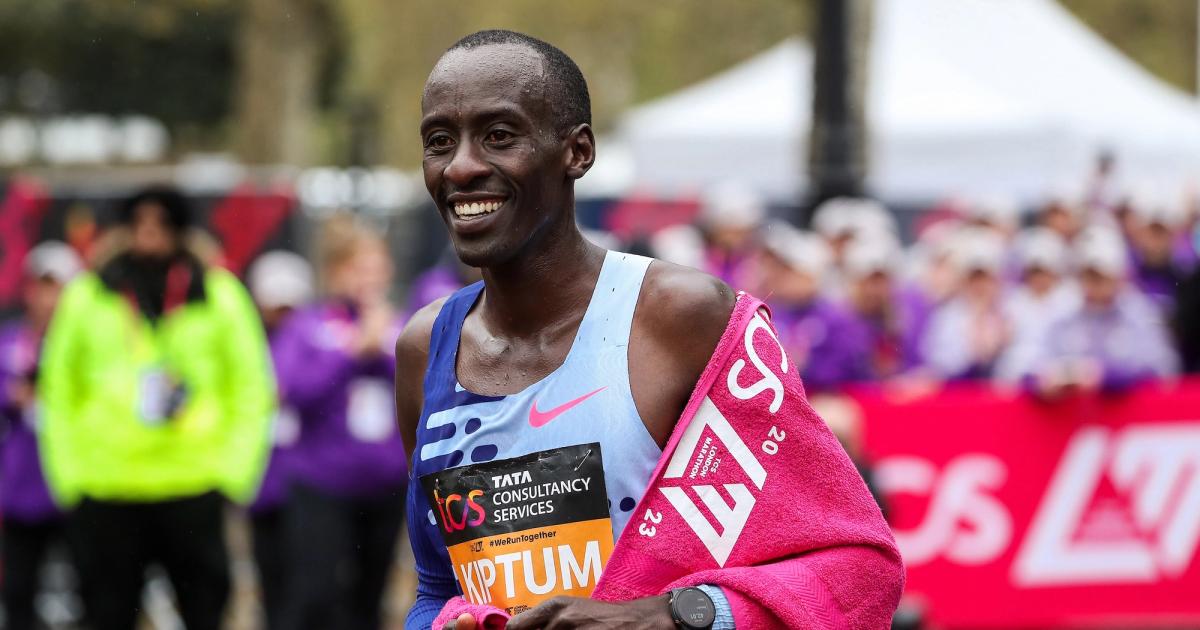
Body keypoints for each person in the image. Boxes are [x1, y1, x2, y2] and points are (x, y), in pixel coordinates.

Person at [397, 30, 900, 630]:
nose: (462, 167)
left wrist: (668, 616)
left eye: (499, 136)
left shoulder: (680, 317)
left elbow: (855, 566)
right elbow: (437, 587)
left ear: (577, 152)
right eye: (439, 142)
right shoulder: (426, 349)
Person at [37, 186, 275, 630]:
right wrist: (69, 479)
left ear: (181, 231)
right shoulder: (87, 295)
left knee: (206, 611)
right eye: (139, 223)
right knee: (104, 614)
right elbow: (56, 390)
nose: (149, 233)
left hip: (194, 485)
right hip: (107, 488)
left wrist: (234, 476)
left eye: (162, 223)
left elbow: (252, 387)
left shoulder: (219, 295)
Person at [272, 218, 407, 630]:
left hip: (385, 487)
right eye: (357, 267)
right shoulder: (308, 326)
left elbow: (422, 389)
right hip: (322, 487)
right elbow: (291, 392)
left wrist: (380, 353)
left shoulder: (401, 325)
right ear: (334, 272)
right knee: (317, 595)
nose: (369, 278)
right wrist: (350, 355)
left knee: (368, 598)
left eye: (376, 267)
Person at [0, 242, 82, 630]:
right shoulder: (10, 341)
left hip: (76, 488)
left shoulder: (87, 345)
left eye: (59, 287)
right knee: (19, 593)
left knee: (90, 592)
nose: (50, 299)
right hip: (20, 491)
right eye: (43, 286)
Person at [246, 250, 315, 630]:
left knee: (303, 582)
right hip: (261, 482)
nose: (282, 313)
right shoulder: (247, 342)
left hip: (303, 483)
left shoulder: (312, 339)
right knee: (269, 577)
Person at [1024, 227, 1178, 398]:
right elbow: (1030, 363)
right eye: (1088, 276)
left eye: (1101, 277)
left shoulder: (1138, 311)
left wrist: (1108, 376)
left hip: (1128, 417)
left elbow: (1164, 366)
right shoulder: (1062, 312)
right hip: (1074, 419)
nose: (1095, 284)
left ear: (1118, 276)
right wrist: (1044, 380)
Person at [750, 221, 863, 392]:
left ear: (813, 276)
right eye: (783, 270)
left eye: (792, 271)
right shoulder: (767, 312)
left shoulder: (836, 318)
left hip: (821, 400)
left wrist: (806, 366)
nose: (783, 276)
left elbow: (849, 370)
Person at [922, 229, 1012, 381]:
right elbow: (939, 363)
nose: (979, 285)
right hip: (961, 394)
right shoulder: (947, 315)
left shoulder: (1009, 311)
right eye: (974, 278)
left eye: (984, 278)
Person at [994, 228, 1080, 383]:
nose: (1039, 277)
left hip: (1063, 378)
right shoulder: (1013, 301)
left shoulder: (1072, 298)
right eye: (1035, 271)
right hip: (1020, 379)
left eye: (1044, 271)